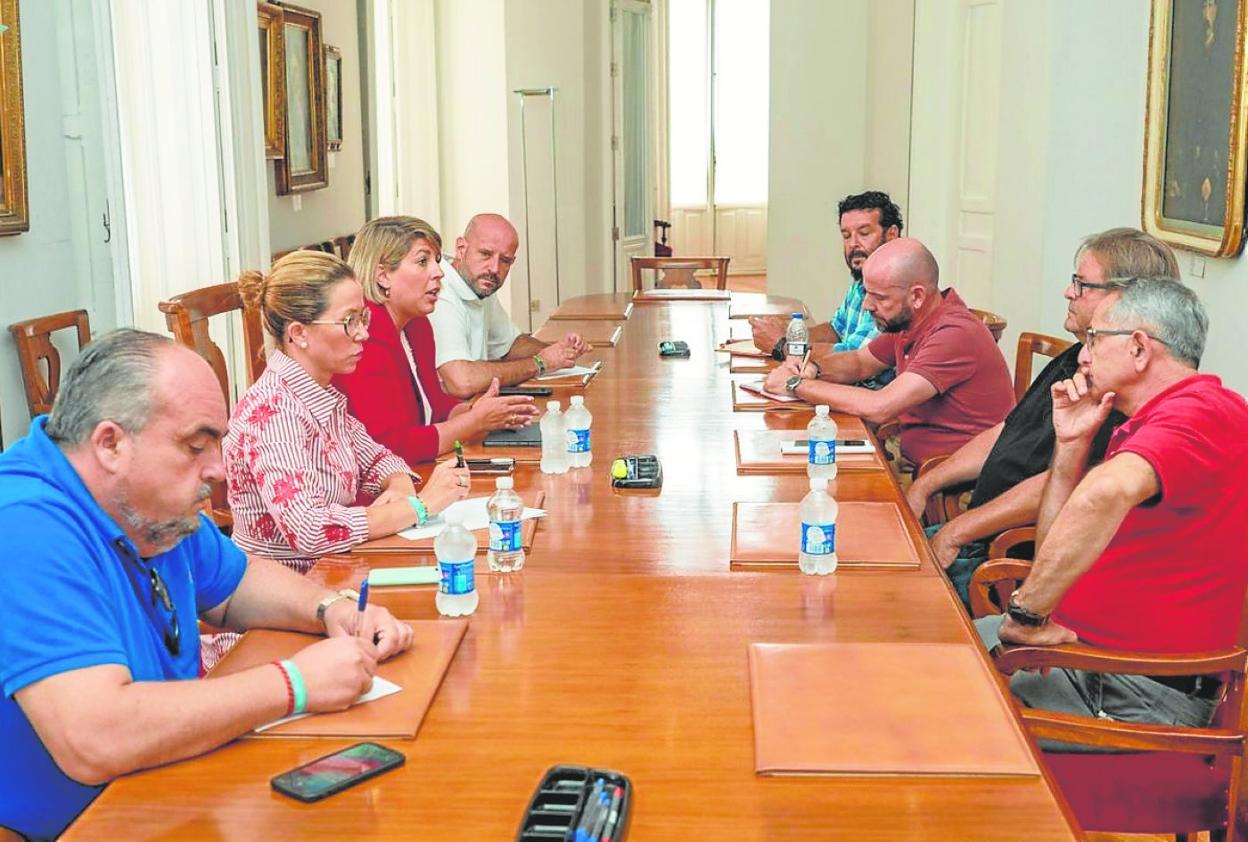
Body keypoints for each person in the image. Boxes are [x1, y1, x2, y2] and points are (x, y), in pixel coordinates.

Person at [0, 329, 415, 839]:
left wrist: (332, 608)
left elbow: (235, 584)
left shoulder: (148, 503)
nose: (218, 469)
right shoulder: (23, 526)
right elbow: (95, 738)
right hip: (78, 822)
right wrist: (295, 684)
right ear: (110, 443)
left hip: (162, 784)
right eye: (196, 445)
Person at [978, 278, 1248, 731]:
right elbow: (1052, 551)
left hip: (1132, 689)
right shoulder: (1153, 418)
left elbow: (1103, 492)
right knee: (924, 643)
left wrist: (1027, 615)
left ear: (1139, 349)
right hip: (1083, 658)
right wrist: (1071, 445)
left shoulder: (1203, 411)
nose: (1083, 356)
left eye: (1094, 339)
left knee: (929, 696)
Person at [905, 228, 1179, 606]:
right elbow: (1007, 432)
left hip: (1005, 561)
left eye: (1081, 284)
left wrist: (957, 531)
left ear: (1124, 298)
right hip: (976, 536)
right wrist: (926, 484)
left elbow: (1065, 484)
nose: (1068, 292)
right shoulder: (1074, 358)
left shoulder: (1120, 389)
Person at [225, 250, 470, 576]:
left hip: (335, 571)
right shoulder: (273, 413)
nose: (363, 333)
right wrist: (419, 507)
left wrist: (399, 484)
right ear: (298, 334)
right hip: (288, 587)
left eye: (363, 318)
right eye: (349, 321)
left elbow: (379, 457)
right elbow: (311, 530)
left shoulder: (321, 393)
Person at [763, 238, 1014, 464]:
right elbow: (860, 362)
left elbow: (880, 406)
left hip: (953, 482)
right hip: (912, 459)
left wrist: (795, 384)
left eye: (880, 297)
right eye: (867, 293)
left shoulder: (954, 333)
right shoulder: (910, 321)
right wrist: (814, 368)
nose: (867, 305)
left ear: (917, 296)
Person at [333, 216, 540, 465]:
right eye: (423, 261)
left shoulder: (417, 325)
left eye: (437, 261)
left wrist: (480, 411)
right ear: (383, 276)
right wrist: (476, 421)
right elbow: (391, 447)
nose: (439, 272)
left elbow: (435, 406)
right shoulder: (365, 336)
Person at [428, 213, 592, 398]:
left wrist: (559, 352)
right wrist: (540, 363)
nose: (494, 269)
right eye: (486, 254)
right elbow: (462, 382)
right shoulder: (440, 292)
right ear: (461, 248)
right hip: (450, 412)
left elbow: (510, 345)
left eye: (505, 260)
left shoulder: (480, 284)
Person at [749, 190, 902, 380]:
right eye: (846, 235)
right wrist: (791, 334)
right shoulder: (861, 282)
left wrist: (784, 345)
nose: (853, 244)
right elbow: (836, 329)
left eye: (864, 233)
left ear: (891, 235)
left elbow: (855, 358)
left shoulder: (897, 289)